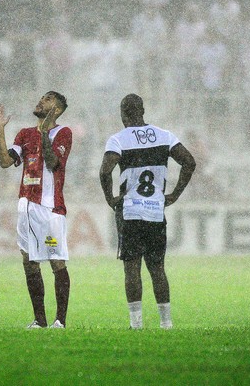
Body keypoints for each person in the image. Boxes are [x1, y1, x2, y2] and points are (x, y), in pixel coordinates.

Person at [99, 94, 196, 330]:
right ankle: (166, 322)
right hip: (155, 211)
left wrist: (110, 198)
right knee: (157, 268)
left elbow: (105, 171)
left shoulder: (118, 139)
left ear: (123, 113)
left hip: (130, 212)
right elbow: (189, 162)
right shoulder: (164, 136)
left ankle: (137, 324)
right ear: (143, 110)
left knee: (132, 268)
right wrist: (173, 195)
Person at [0, 91, 72, 329]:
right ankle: (40, 320)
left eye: (48, 99)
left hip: (50, 208)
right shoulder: (25, 134)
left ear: (56, 110)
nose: (40, 100)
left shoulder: (63, 133)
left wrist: (45, 133)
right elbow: (5, 162)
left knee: (56, 261)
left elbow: (52, 162)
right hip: (26, 205)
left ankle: (60, 321)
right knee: (29, 261)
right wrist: (0, 129)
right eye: (41, 97)